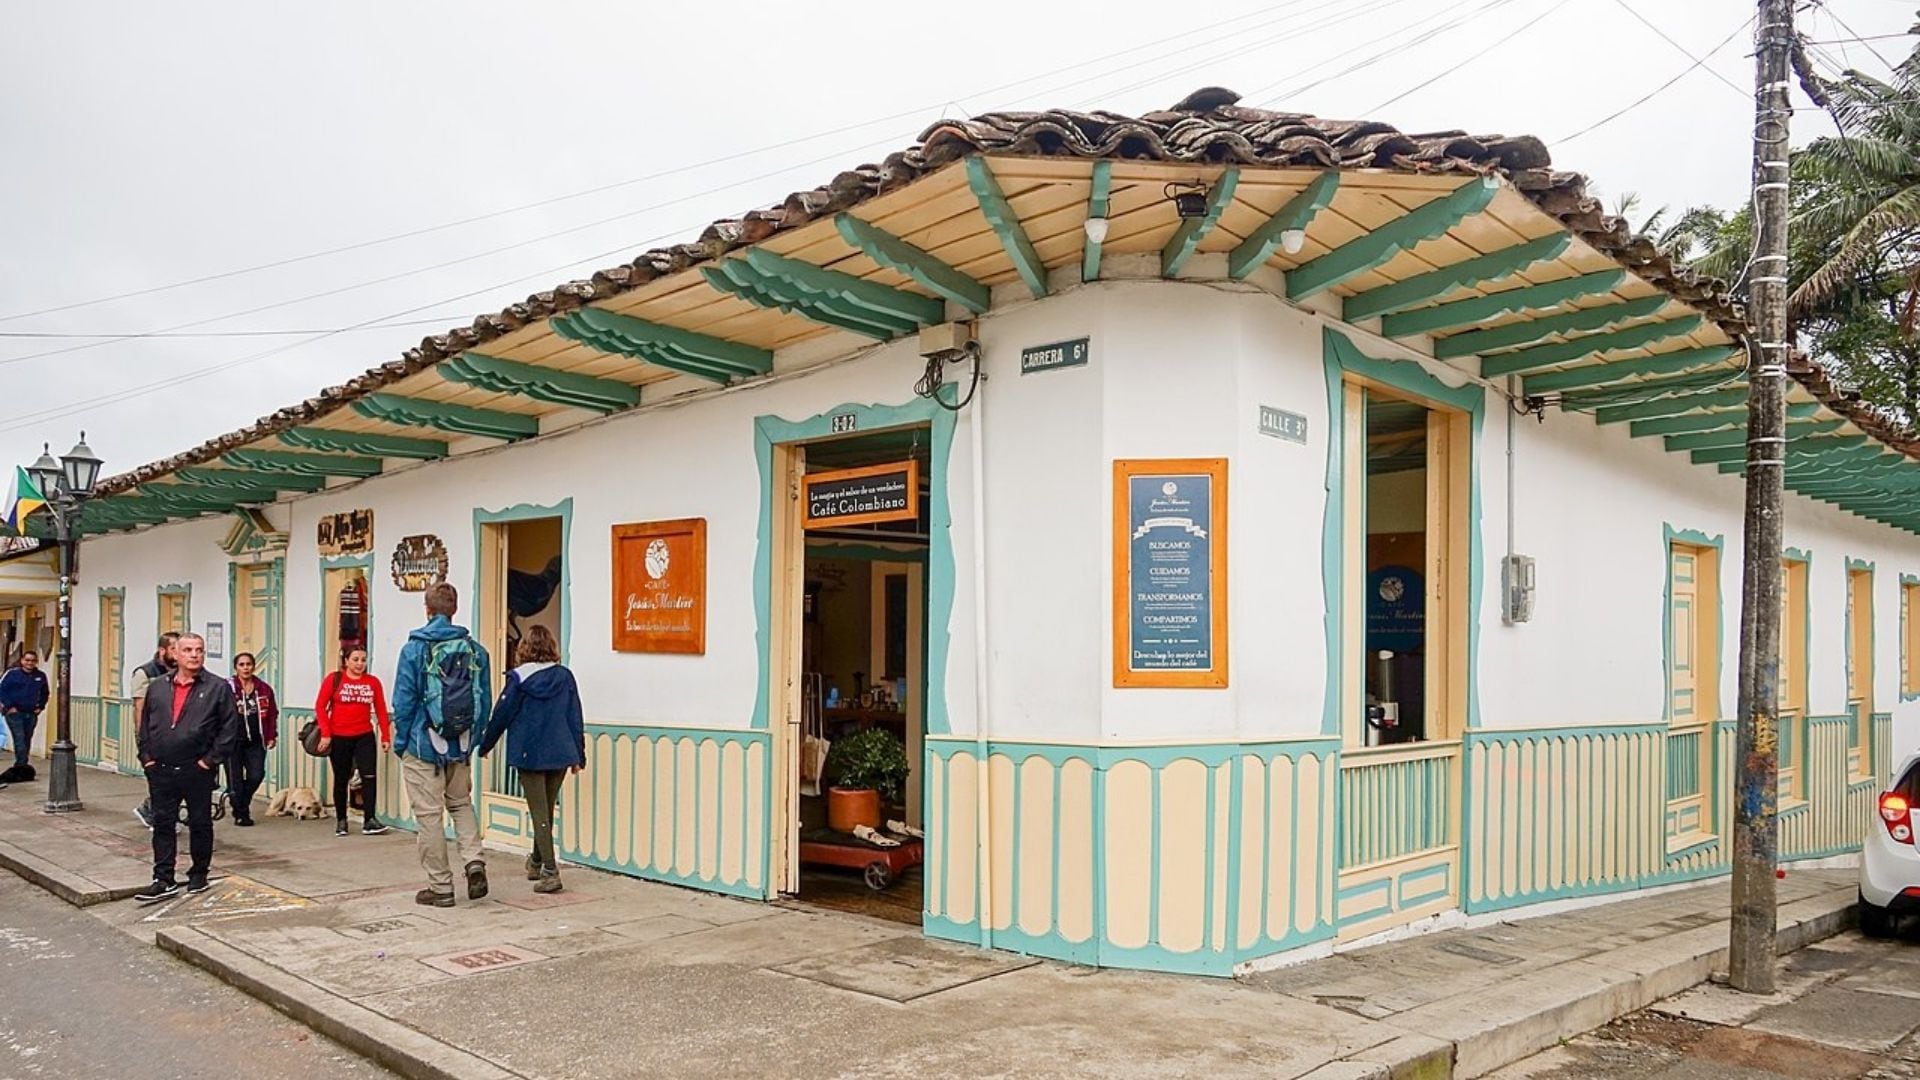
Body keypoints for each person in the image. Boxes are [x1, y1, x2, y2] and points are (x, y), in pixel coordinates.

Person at [392, 582, 492, 908]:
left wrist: (401, 741)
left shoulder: (413, 650)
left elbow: (404, 702)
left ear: (427, 609)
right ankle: (474, 861)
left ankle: (441, 888)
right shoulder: (476, 651)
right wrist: (471, 740)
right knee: (461, 804)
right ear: (455, 610)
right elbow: (485, 703)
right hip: (460, 746)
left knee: (430, 816)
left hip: (423, 745)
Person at [132, 633, 239, 903]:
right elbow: (144, 723)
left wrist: (208, 761)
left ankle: (199, 873)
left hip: (197, 769)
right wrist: (147, 757)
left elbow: (228, 729)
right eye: (188, 650)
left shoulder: (217, 687)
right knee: (163, 823)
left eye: (199, 650)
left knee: (200, 823)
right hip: (161, 768)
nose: (194, 655)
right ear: (175, 654)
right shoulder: (157, 687)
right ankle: (163, 878)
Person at [477, 625, 584, 894]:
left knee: (539, 811)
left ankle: (550, 870)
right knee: (545, 808)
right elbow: (575, 715)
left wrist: (486, 744)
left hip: (529, 750)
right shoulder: (565, 676)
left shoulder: (518, 679)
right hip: (560, 750)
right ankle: (536, 861)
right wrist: (578, 754)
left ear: (525, 648)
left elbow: (502, 713)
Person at [314, 647, 391, 838]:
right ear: (346, 661)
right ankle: (342, 820)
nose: (360, 664)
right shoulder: (334, 679)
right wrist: (326, 733)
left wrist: (385, 736)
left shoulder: (372, 682)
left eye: (363, 660)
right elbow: (320, 707)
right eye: (355, 659)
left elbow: (381, 709)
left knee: (369, 777)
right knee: (341, 779)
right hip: (339, 736)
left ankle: (370, 819)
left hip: (364, 735)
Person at [131, 632, 181, 829]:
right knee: (158, 777)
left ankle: (152, 810)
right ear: (163, 650)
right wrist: (143, 738)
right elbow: (139, 707)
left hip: (176, 733)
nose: (178, 654)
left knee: (173, 779)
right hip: (154, 734)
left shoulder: (181, 671)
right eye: (174, 649)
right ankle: (159, 816)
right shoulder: (145, 673)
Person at [225, 652, 278, 827]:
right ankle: (242, 814)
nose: (245, 668)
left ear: (253, 666)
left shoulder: (263, 689)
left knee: (257, 775)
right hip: (232, 741)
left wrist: (271, 735)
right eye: (241, 664)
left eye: (248, 664)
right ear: (236, 667)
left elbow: (271, 714)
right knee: (236, 780)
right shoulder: (227, 688)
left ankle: (240, 802)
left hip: (256, 740)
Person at [0, 650, 50, 770]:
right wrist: (9, 707)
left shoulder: (40, 676)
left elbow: (45, 693)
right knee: (19, 738)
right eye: (27, 660)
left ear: (36, 662)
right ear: (22, 661)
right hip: (14, 713)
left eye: (32, 660)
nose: (30, 663)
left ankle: (23, 764)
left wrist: (40, 707)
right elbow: (2, 691)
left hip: (31, 714)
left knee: (27, 739)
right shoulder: (12, 674)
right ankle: (21, 765)